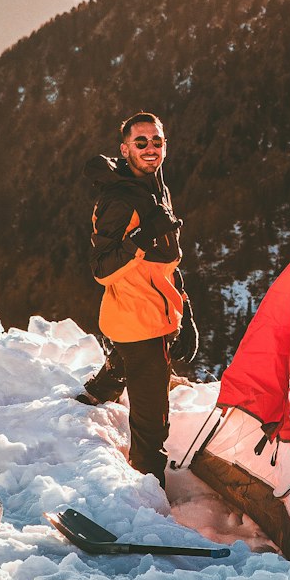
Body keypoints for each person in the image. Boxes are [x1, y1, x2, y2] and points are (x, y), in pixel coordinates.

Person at [79, 112, 193, 485]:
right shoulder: (119, 199)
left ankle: (99, 392)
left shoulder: (155, 187)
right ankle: (147, 492)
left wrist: (184, 310)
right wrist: (142, 237)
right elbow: (101, 268)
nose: (150, 148)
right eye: (140, 142)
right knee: (151, 420)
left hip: (154, 308)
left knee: (141, 367)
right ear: (124, 148)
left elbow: (166, 261)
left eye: (156, 141)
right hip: (138, 319)